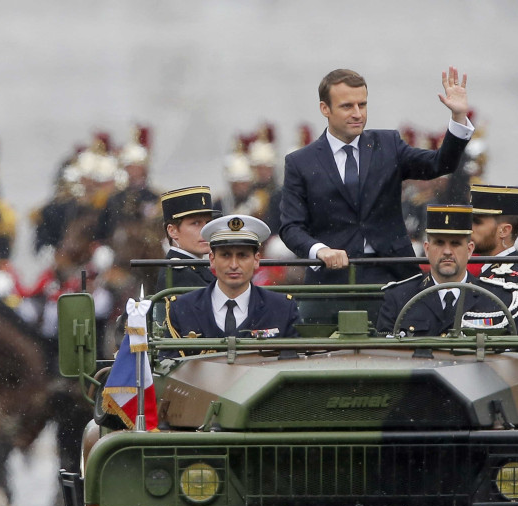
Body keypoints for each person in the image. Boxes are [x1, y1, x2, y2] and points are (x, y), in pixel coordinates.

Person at [279, 67, 474, 285]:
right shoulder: (300, 162)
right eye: (347, 106)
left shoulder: (388, 145)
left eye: (362, 104)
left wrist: (458, 116)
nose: (357, 113)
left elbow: (441, 163)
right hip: (331, 279)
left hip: (393, 274)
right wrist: (320, 251)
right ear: (325, 108)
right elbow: (291, 227)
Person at [376, 205, 518, 337]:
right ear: (427, 249)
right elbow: (384, 358)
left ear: (469, 250)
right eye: (439, 243)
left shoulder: (499, 299)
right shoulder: (398, 299)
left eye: (455, 244)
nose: (447, 251)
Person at [166, 214, 300, 341]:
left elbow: (295, 361)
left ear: (256, 260)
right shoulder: (182, 308)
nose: (234, 265)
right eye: (225, 255)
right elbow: (168, 361)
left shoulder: (282, 308)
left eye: (242, 255)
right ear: (212, 259)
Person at [156, 186, 219, 291]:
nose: (205, 230)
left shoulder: (195, 269)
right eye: (196, 223)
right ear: (172, 231)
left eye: (208, 223)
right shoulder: (178, 274)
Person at [469, 184, 518, 285]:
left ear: (504, 231)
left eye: (477, 222)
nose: (470, 228)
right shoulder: (489, 270)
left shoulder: (510, 279)